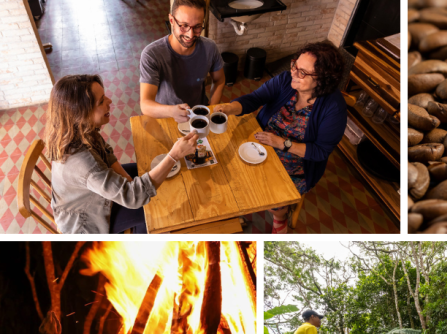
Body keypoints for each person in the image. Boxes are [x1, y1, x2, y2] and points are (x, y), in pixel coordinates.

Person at [214, 40, 347, 233]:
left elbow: (319, 152)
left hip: (295, 163)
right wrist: (230, 108)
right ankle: (241, 207)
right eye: (295, 65)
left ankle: (280, 216)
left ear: (323, 79)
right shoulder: (286, 80)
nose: (293, 72)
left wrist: (281, 143)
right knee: (228, 171)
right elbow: (255, 98)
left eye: (302, 72)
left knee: (273, 195)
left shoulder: (334, 108)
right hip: (261, 143)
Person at [47, 75, 197, 234]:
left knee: (144, 173)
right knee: (157, 213)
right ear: (81, 114)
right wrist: (173, 156)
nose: (110, 101)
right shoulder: (83, 164)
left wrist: (129, 182)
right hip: (90, 220)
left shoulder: (79, 129)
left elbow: (106, 152)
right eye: (101, 101)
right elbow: (135, 198)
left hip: (94, 192)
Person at [139, 0, 224, 122]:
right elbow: (145, 104)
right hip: (165, 116)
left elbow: (219, 80)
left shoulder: (210, 48)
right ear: (172, 20)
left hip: (198, 113)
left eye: (197, 27)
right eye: (184, 25)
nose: (190, 35)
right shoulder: (152, 54)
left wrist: (211, 108)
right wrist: (171, 111)